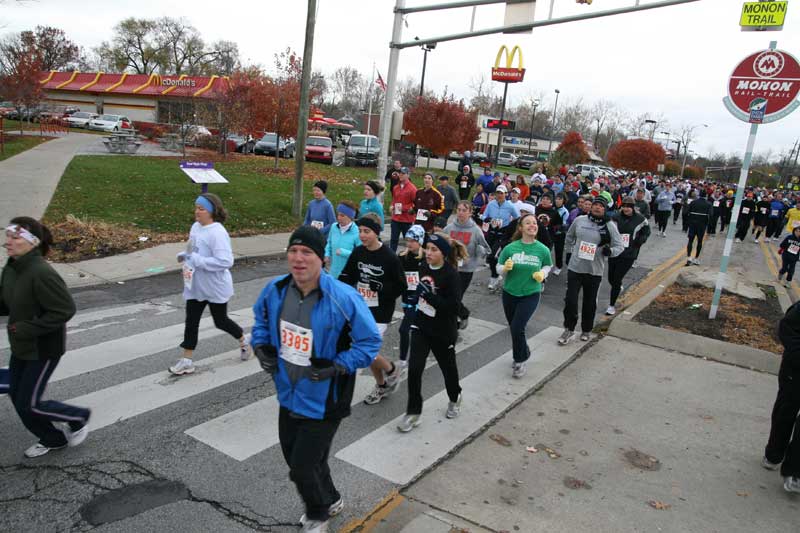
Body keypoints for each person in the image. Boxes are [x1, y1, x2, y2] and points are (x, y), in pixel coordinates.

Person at [251, 226, 382, 532]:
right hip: (288, 391)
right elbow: (261, 321)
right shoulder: (275, 290)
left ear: (322, 258)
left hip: (327, 396)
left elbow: (369, 343)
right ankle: (332, 498)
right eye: (293, 251)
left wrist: (337, 366)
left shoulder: (342, 297)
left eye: (306, 252)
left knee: (302, 467)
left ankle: (318, 514)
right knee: (303, 459)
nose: (298, 259)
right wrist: (261, 346)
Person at [2, 217, 91, 458]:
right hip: (21, 344)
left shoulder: (41, 272)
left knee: (29, 403)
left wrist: (26, 328)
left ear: (31, 243)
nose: (7, 242)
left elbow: (64, 310)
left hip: (42, 348)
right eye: (8, 235)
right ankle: (52, 438)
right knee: (17, 396)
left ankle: (77, 417)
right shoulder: (12, 267)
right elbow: (7, 302)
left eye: (14, 237)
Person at [171, 194, 249, 376]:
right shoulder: (195, 227)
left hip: (214, 285)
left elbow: (225, 261)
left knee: (220, 321)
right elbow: (193, 248)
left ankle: (244, 340)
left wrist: (197, 260)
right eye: (196, 207)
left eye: (201, 208)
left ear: (212, 211)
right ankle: (187, 360)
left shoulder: (217, 232)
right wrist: (184, 255)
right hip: (196, 284)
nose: (197, 211)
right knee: (191, 322)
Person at [338, 214, 406, 406]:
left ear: (376, 233)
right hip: (360, 309)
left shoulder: (390, 257)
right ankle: (385, 381)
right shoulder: (359, 252)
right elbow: (347, 275)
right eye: (360, 231)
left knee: (365, 350)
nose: (362, 235)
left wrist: (381, 288)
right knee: (368, 352)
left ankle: (391, 370)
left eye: (366, 231)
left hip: (381, 312)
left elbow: (401, 287)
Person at [398, 233, 463, 433]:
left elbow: (452, 307)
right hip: (421, 326)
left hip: (443, 330)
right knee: (415, 369)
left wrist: (428, 295)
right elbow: (420, 291)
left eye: (434, 250)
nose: (428, 252)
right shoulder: (423, 267)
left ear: (443, 253)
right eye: (427, 248)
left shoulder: (451, 275)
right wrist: (414, 300)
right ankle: (413, 412)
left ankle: (455, 396)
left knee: (448, 369)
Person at [560, 198, 624, 345]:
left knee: (589, 303)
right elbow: (569, 237)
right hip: (575, 267)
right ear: (590, 207)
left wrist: (610, 251)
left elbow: (619, 246)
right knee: (570, 300)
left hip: (594, 270)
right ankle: (569, 328)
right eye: (595, 205)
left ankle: (586, 330)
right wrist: (569, 252)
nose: (597, 208)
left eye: (601, 206)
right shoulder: (580, 220)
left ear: (605, 209)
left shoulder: (609, 225)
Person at [496, 213, 553, 378]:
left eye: (534, 223)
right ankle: (525, 351)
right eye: (528, 223)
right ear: (520, 228)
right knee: (514, 328)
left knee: (517, 327)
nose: (532, 225)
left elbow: (548, 265)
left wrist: (542, 274)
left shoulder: (542, 249)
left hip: (530, 293)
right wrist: (504, 269)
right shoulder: (510, 248)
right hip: (509, 292)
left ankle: (519, 360)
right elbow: (498, 268)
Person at [762, 299, 800, 494]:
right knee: (785, 412)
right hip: (795, 370)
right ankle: (774, 454)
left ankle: (795, 472)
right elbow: (787, 327)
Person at [445, 201, 490, 329]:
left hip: (466, 270)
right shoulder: (449, 228)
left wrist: (480, 251)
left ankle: (455, 322)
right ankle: (460, 316)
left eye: (464, 210)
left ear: (470, 213)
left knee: (455, 297)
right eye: (459, 210)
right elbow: (440, 244)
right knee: (450, 296)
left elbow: (486, 249)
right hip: (450, 268)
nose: (461, 213)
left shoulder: (475, 230)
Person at [605, 197, 650, 315]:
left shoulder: (640, 219)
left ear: (633, 207)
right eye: (624, 206)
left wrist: (640, 240)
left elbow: (646, 231)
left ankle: (611, 305)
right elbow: (608, 229)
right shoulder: (615, 217)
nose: (626, 209)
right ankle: (618, 286)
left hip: (629, 254)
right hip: (615, 251)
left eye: (628, 207)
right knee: (610, 277)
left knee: (616, 279)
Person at [482, 185, 521, 292]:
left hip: (503, 233)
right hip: (492, 232)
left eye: (501, 193)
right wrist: (487, 219)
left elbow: (517, 219)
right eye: (498, 193)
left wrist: (512, 229)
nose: (499, 195)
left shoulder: (509, 206)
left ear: (505, 194)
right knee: (489, 256)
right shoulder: (491, 204)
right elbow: (483, 216)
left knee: (493, 255)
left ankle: (494, 278)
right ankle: (497, 272)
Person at [397, 225, 426, 370]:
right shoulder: (402, 256)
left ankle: (403, 361)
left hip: (420, 299)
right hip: (406, 297)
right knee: (416, 328)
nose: (409, 243)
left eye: (412, 240)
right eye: (407, 240)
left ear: (420, 241)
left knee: (404, 329)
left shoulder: (426, 257)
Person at [323, 201, 360, 279]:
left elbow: (360, 255)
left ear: (350, 217)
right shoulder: (334, 227)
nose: (338, 217)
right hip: (332, 272)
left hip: (348, 275)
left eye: (342, 215)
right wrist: (327, 254)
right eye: (338, 214)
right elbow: (329, 242)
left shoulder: (357, 232)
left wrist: (344, 252)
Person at [389, 167, 418, 251]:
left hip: (407, 220)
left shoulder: (412, 189)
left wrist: (404, 208)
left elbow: (415, 204)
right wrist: (391, 206)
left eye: (403, 173)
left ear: (408, 175)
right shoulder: (396, 187)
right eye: (400, 173)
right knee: (393, 240)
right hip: (396, 219)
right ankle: (391, 257)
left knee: (408, 241)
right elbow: (394, 200)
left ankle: (408, 257)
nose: (400, 175)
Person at [683, 190, 713, 265]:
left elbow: (686, 212)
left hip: (692, 224)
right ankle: (696, 258)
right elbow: (711, 215)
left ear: (699, 195)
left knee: (690, 240)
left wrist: (689, 221)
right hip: (702, 225)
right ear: (706, 196)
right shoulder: (709, 204)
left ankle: (689, 257)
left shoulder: (693, 202)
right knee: (699, 241)